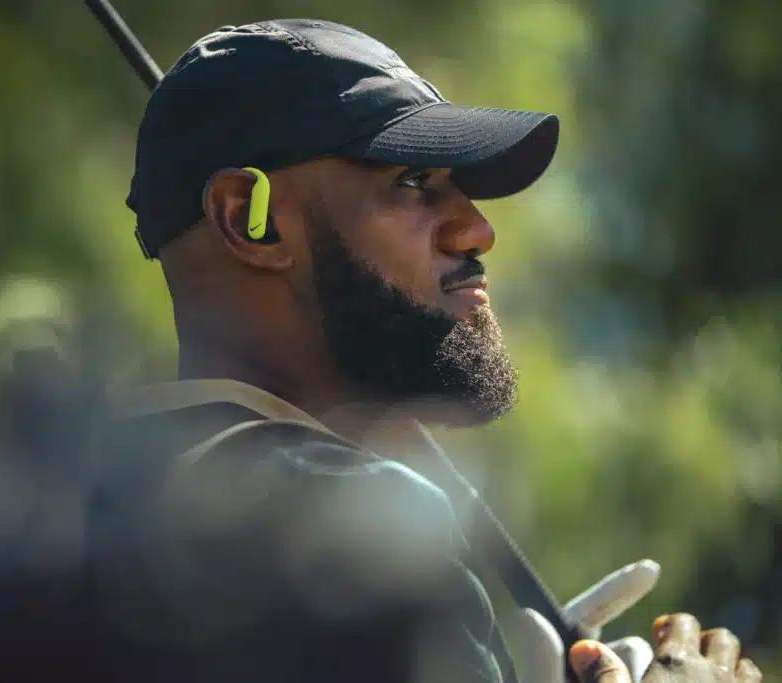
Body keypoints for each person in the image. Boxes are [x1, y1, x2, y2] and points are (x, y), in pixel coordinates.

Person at [85, 18, 764, 683]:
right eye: (412, 182)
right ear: (246, 220)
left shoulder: (80, 510)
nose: (478, 229)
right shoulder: (354, 535)